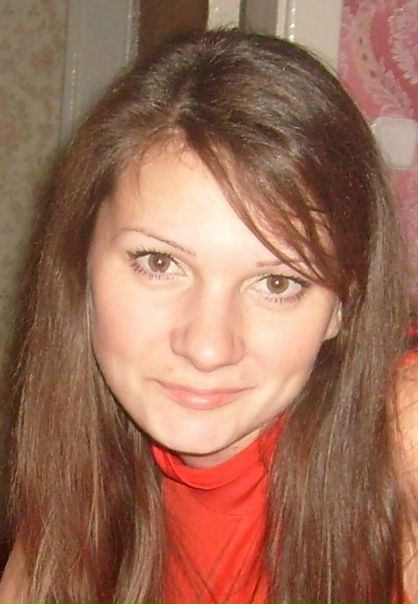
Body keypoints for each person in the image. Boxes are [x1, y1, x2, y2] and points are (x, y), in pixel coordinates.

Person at [0, 27, 414, 604]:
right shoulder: (79, 473)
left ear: (344, 305)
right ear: (82, 263)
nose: (208, 347)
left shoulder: (403, 431)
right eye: (159, 262)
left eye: (277, 283)